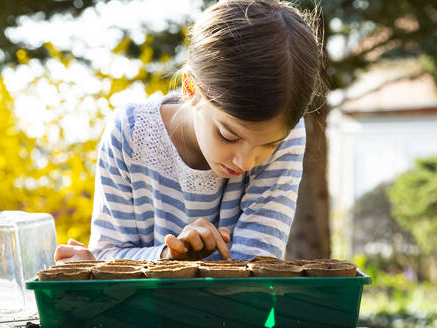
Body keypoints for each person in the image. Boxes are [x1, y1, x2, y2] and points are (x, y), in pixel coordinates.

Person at [54, 0, 322, 263]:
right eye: (229, 136)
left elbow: (256, 269)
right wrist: (169, 255)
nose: (246, 162)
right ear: (191, 89)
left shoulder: (286, 130)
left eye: (270, 145)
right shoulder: (130, 134)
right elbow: (106, 255)